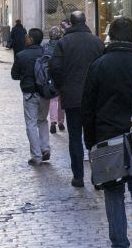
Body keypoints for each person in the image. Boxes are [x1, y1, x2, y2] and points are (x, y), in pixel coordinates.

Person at [82, 17, 132, 248]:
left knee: (113, 189)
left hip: (109, 138)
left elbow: (88, 109)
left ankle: (119, 240)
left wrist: (90, 143)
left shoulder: (98, 66)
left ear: (111, 37)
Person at [49, 11, 105, 188]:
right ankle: (98, 177)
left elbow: (55, 67)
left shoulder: (64, 43)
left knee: (75, 137)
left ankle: (78, 176)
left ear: (71, 23)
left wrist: (61, 86)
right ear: (85, 21)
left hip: (72, 96)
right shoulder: (97, 42)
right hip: (95, 97)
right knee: (95, 137)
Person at [12, 28, 51, 165]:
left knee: (31, 123)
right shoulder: (46, 53)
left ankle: (36, 155)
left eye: (27, 36)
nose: (25, 38)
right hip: (45, 93)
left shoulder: (21, 55)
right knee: (43, 120)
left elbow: (14, 75)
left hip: (30, 93)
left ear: (31, 39)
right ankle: (45, 148)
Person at [46, 26, 65, 134]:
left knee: (53, 100)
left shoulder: (46, 46)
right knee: (62, 100)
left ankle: (53, 121)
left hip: (50, 76)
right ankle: (61, 121)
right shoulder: (63, 45)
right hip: (62, 75)